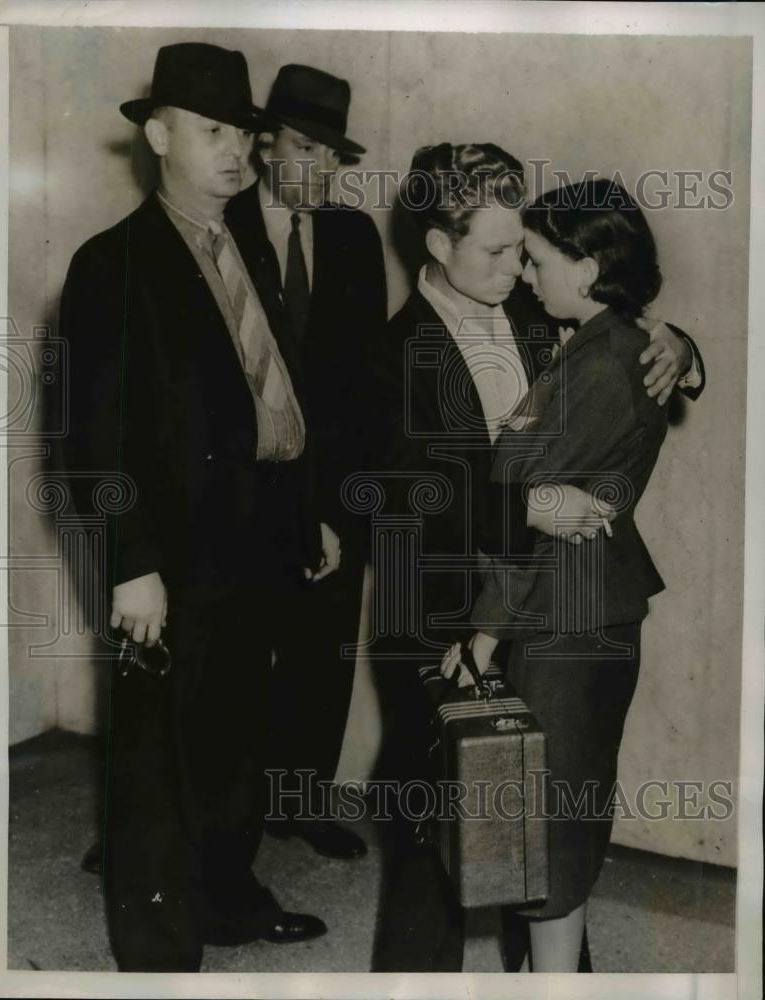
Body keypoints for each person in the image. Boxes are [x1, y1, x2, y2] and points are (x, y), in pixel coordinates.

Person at [370, 143, 705, 972]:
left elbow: (618, 346)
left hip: (543, 602)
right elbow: (408, 493)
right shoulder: (385, 352)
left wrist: (685, 350)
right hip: (444, 599)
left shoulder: (535, 312)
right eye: (495, 250)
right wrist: (522, 506)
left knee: (544, 805)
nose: (517, 268)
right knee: (440, 814)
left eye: (524, 248)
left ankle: (558, 973)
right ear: (437, 247)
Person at [59, 43, 330, 972]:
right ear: (161, 132)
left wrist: (309, 514)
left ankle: (227, 900)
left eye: (244, 135)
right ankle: (158, 953)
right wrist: (130, 564)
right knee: (155, 761)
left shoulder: (247, 243)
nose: (236, 152)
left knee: (236, 743)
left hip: (259, 535)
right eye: (212, 131)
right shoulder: (113, 265)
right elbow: (88, 442)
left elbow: (274, 396)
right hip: (170, 556)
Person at [443, 175, 681, 972]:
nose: (525, 272)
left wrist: (481, 635)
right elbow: (529, 497)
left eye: (538, 257)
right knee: (553, 823)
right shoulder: (604, 343)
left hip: (564, 615)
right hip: (576, 606)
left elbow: (521, 512)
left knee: (546, 832)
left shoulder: (606, 363)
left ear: (584, 268)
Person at [227, 64, 387, 860]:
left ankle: (303, 798)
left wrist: (338, 505)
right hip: (244, 493)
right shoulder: (217, 225)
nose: (320, 169)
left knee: (322, 656)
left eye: (334, 155)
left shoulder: (355, 239)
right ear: (262, 146)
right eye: (303, 147)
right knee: (237, 658)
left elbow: (364, 381)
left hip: (330, 489)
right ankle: (224, 808)